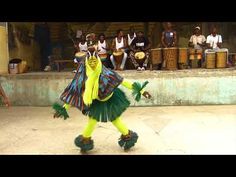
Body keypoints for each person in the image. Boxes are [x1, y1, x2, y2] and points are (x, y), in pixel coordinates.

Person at [52, 44, 152, 152]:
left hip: (110, 99)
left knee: (115, 120)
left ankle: (128, 137)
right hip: (96, 101)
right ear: (86, 63)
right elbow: (75, 93)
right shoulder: (83, 77)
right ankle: (85, 142)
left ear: (98, 60)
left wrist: (141, 90)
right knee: (92, 121)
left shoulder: (107, 73)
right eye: (90, 62)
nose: (93, 64)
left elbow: (124, 82)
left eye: (95, 61)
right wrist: (63, 109)